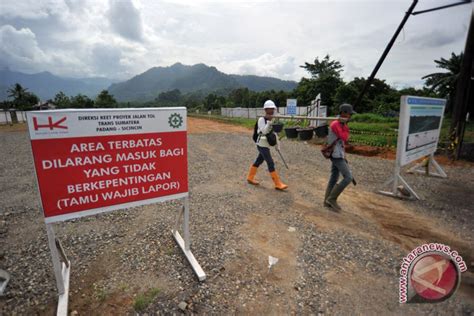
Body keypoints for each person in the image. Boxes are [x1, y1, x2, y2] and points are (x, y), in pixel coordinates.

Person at [246, 100, 288, 190]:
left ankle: (250, 177)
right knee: (270, 162)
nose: (272, 110)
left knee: (259, 161)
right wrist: (269, 122)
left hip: (266, 144)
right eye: (270, 109)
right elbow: (264, 131)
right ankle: (277, 183)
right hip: (261, 144)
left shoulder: (272, 119)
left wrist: (277, 145)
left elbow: (273, 133)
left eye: (273, 108)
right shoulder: (261, 119)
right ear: (266, 109)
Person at [324, 103, 355, 211]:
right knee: (348, 177)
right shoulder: (336, 124)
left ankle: (326, 201)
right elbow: (344, 137)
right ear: (344, 113)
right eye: (349, 114)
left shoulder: (341, 124)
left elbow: (342, 141)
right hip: (335, 155)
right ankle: (332, 199)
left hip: (339, 153)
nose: (350, 116)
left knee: (334, 178)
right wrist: (345, 126)